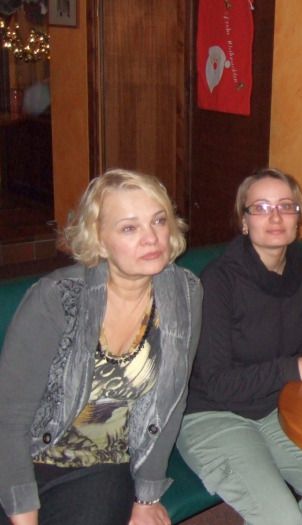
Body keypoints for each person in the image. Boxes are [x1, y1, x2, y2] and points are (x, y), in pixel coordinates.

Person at [0, 169, 203, 525]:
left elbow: (172, 400)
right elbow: (10, 417)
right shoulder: (58, 298)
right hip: (27, 455)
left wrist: (147, 495)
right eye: (129, 228)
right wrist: (23, 515)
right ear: (99, 239)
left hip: (100, 466)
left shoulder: (185, 294)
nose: (151, 237)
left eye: (158, 221)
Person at [177, 167, 302, 524]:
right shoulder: (218, 280)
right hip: (213, 414)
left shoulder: (300, 268)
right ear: (244, 222)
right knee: (281, 518)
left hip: (277, 407)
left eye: (285, 206)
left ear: (297, 217)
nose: (275, 217)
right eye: (260, 207)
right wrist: (295, 368)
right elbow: (216, 382)